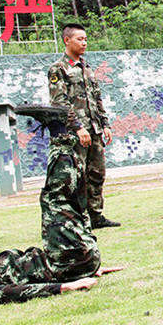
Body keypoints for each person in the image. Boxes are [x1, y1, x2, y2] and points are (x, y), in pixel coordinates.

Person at [0, 105, 122, 307]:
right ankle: (58, 129)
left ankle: (63, 136)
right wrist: (64, 287)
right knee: (56, 197)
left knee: (72, 197)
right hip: (67, 262)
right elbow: (7, 292)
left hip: (70, 258)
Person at [48, 23, 120, 228]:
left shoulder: (86, 68)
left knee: (97, 174)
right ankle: (79, 219)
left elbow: (97, 99)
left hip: (95, 130)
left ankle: (95, 216)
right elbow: (59, 102)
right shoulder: (58, 69)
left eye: (86, 39)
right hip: (76, 133)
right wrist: (78, 127)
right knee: (77, 176)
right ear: (67, 40)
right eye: (80, 39)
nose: (84, 43)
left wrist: (105, 124)